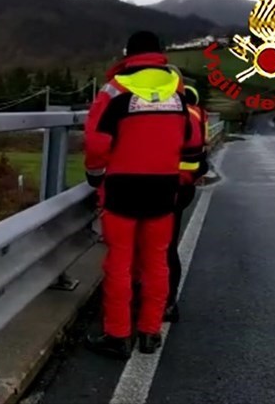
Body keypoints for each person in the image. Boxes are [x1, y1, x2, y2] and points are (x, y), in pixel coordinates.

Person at [83, 30, 194, 359]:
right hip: (163, 186)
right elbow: (187, 136)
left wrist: (95, 174)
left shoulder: (115, 89)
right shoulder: (177, 90)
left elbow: (97, 141)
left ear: (127, 54)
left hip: (122, 187)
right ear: (160, 54)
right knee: (156, 260)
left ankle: (117, 335)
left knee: (119, 261)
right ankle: (150, 332)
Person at [163, 84, 209, 322]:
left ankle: (157, 301)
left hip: (165, 184)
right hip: (184, 185)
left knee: (159, 247)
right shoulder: (197, 114)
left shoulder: (174, 113)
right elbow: (202, 155)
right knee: (168, 246)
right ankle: (169, 303)